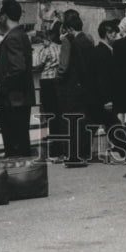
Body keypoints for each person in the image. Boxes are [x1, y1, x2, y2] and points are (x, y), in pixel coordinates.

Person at [0, 0, 36, 158]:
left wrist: (1, 85)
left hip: (12, 99)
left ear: (5, 16)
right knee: (21, 140)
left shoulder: (12, 38)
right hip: (20, 98)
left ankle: (17, 169)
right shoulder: (21, 35)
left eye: (0, 15)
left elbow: (18, 67)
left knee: (14, 143)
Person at [55, 8, 97, 167]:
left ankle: (72, 155)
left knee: (70, 122)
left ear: (69, 28)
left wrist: (58, 79)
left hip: (71, 87)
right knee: (83, 122)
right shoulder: (89, 40)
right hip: (86, 87)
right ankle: (83, 154)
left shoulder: (69, 41)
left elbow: (63, 66)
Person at [92, 19, 126, 160]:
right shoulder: (103, 52)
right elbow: (102, 78)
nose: (116, 35)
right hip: (104, 99)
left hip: (100, 98)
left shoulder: (102, 50)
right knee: (112, 125)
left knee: (109, 124)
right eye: (114, 32)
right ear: (108, 34)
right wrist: (107, 99)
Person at [33, 20, 63, 158]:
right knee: (58, 113)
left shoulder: (46, 50)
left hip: (46, 81)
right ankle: (61, 145)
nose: (42, 42)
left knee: (50, 113)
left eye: (43, 40)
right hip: (57, 81)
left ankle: (55, 149)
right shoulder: (59, 47)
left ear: (47, 39)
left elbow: (39, 65)